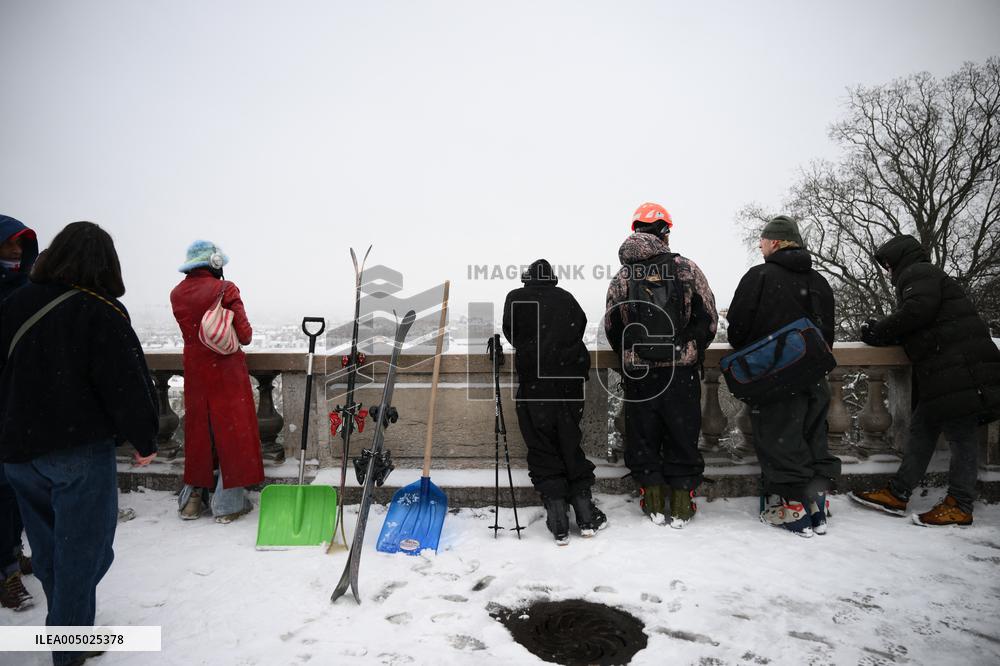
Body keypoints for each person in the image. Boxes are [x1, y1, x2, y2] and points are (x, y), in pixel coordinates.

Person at [0, 222, 157, 666]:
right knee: (87, 551)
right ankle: (68, 647)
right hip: (76, 452)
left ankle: (66, 620)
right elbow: (126, 384)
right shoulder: (101, 311)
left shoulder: (15, 304)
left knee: (52, 549)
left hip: (19, 454)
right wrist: (144, 438)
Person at [850, 234, 1000, 526]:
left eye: (888, 264)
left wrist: (879, 330)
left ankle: (960, 504)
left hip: (961, 373)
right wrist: (882, 332)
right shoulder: (922, 277)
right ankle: (899, 493)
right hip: (947, 375)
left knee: (961, 436)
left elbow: (917, 313)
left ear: (899, 258)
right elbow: (918, 324)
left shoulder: (919, 272)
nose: (887, 271)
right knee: (921, 428)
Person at [604, 203, 717, 528]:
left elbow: (613, 326)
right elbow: (708, 319)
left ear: (635, 230)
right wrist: (689, 346)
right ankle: (682, 504)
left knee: (644, 435)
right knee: (682, 434)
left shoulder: (623, 276)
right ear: (664, 233)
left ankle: (651, 498)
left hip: (641, 373)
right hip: (681, 370)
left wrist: (634, 353)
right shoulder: (686, 269)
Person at [726, 215, 840, 537]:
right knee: (813, 437)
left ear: (775, 242)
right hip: (815, 376)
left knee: (781, 441)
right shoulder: (819, 281)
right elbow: (827, 334)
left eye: (762, 240)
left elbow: (738, 331)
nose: (760, 246)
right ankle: (816, 505)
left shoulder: (759, 276)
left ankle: (793, 510)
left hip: (777, 377)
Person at [503, 259, 604, 545]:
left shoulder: (516, 298)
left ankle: (558, 516)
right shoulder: (566, 299)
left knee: (542, 444)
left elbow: (513, 334)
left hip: (535, 383)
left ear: (527, 278)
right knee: (569, 441)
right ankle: (585, 513)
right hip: (569, 382)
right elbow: (579, 328)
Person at [171, 240, 262, 523]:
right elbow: (244, 335)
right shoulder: (225, 289)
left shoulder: (177, 293)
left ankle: (192, 501)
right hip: (226, 370)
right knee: (232, 434)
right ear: (215, 263)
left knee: (199, 433)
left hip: (196, 371)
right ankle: (227, 503)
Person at [0, 214, 38, 611]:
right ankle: (5, 569)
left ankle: (12, 549)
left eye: (21, 245)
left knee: (15, 488)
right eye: (9, 244)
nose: (15, 252)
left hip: (18, 406)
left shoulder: (26, 291)